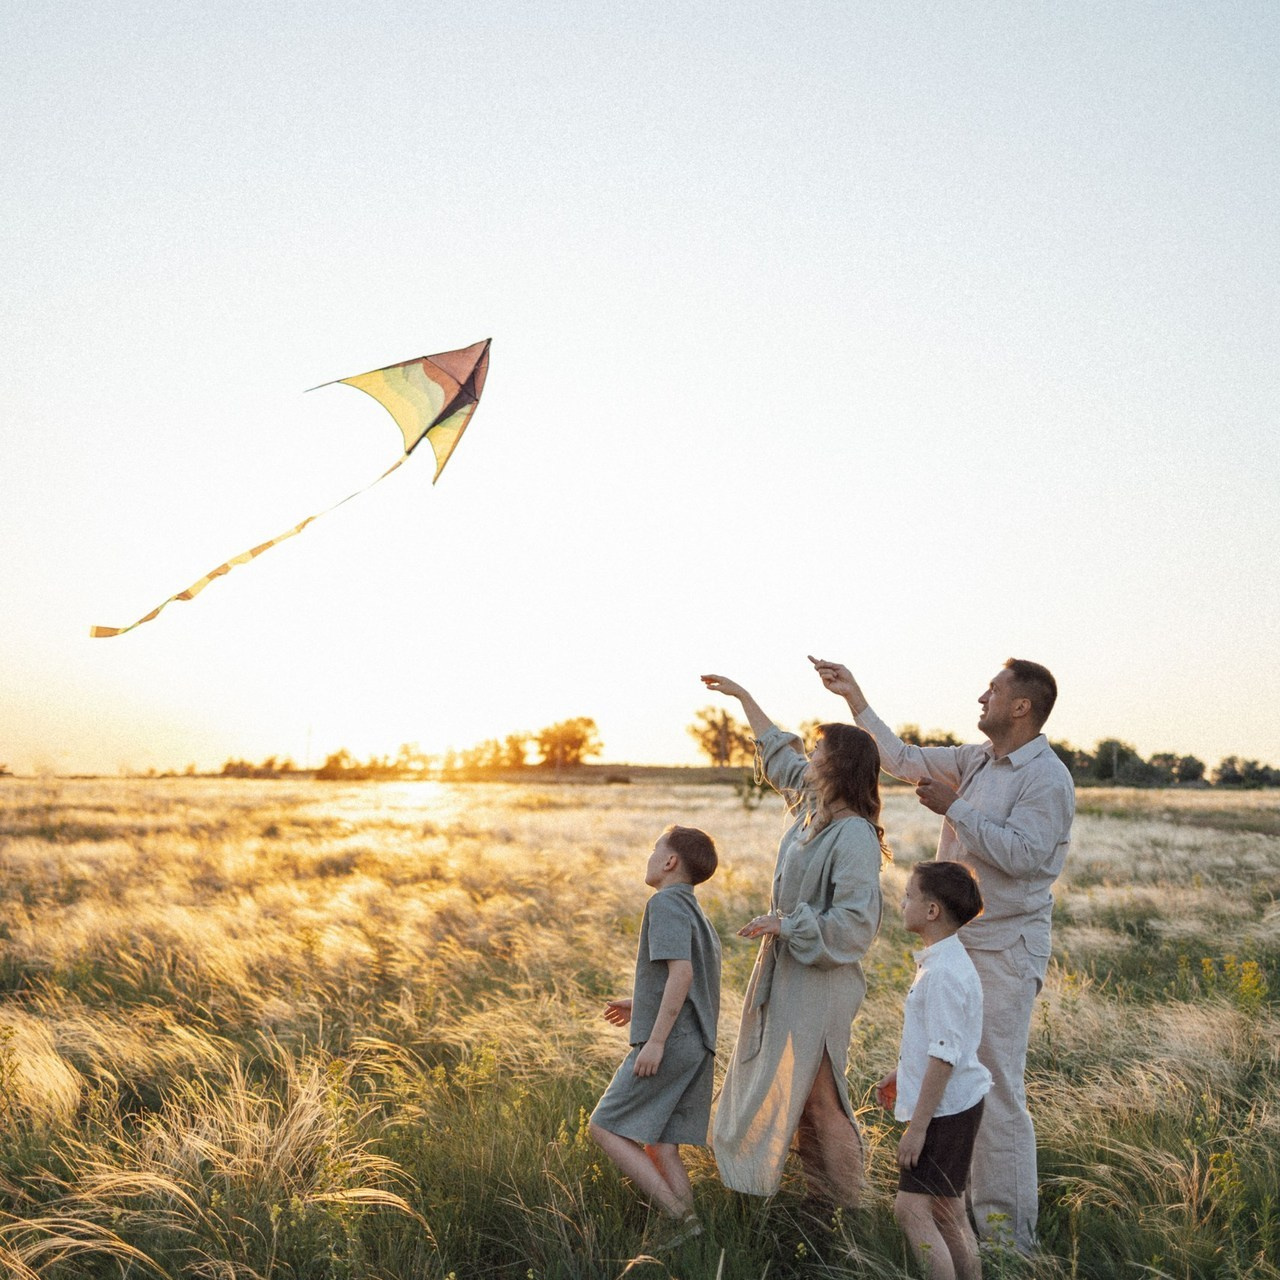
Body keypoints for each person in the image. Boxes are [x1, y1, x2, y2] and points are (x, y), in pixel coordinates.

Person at [810, 655, 1074, 1254]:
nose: (982, 697)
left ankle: (1009, 1240)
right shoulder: (976, 758)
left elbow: (1027, 857)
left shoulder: (1047, 778)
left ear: (1021, 706)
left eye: (994, 690)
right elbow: (899, 758)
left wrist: (955, 808)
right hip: (960, 945)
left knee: (996, 1090)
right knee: (954, 1081)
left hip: (1006, 948)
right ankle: (960, 1223)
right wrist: (855, 698)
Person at [700, 672, 886, 1209]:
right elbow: (778, 754)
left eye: (819, 750)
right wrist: (744, 698)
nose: (809, 755)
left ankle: (852, 1211)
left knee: (823, 1099)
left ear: (838, 766)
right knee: (802, 1098)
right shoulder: (811, 809)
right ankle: (818, 1205)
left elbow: (854, 922)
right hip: (790, 975)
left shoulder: (852, 833)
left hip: (822, 983)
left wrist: (789, 924)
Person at [588, 824, 722, 1245]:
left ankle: (678, 1217)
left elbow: (681, 974)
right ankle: (695, 1235)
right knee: (662, 1144)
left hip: (673, 1041)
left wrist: (656, 1040)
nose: (649, 856)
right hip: (698, 1043)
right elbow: (688, 978)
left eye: (654, 849)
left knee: (605, 1126)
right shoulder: (696, 911)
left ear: (669, 862)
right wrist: (640, 1005)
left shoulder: (664, 904)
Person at [877, 861, 991, 1280]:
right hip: (957, 1104)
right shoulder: (942, 962)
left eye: (909, 895)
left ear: (931, 911)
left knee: (911, 1211)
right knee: (946, 1210)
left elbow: (944, 1055)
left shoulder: (942, 973)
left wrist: (918, 1127)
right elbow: (942, 1043)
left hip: (944, 1113)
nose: (902, 901)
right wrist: (902, 1071)